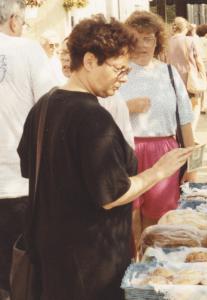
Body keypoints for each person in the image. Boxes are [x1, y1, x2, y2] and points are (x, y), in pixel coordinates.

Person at [17, 16, 191, 300]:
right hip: (90, 263)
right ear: (88, 61)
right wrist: (159, 171)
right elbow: (113, 193)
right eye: (119, 70)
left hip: (53, 255)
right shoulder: (92, 117)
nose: (123, 79)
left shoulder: (45, 104)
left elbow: (30, 167)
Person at [120, 11, 196, 245]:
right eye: (136, 38)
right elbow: (99, 113)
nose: (142, 45)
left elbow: (185, 120)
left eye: (148, 38)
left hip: (165, 151)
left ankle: (154, 268)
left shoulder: (170, 73)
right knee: (129, 217)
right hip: (127, 150)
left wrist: (192, 165)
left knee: (160, 219)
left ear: (158, 41)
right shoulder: (118, 72)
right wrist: (126, 107)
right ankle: (133, 266)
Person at [0, 1, 57, 298]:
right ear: (13, 20)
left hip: (15, 180)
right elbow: (51, 106)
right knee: (21, 273)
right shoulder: (27, 50)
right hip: (18, 180)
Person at [58, 37, 135, 149]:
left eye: (70, 53)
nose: (66, 58)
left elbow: (126, 144)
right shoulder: (48, 99)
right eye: (63, 53)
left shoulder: (111, 98)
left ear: (89, 61)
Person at [166, 17, 205, 134]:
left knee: (176, 107)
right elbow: (199, 61)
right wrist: (202, 76)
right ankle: (191, 132)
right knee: (196, 104)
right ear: (186, 27)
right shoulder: (190, 41)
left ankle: (178, 132)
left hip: (171, 79)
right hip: (189, 78)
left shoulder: (166, 42)